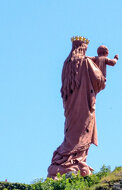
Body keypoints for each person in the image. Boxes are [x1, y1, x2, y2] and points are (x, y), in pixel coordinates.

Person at [47, 36, 114, 177]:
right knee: (82, 133)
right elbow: (99, 81)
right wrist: (102, 64)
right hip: (84, 106)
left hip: (70, 107)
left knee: (71, 133)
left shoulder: (67, 64)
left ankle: (65, 161)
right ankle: (75, 161)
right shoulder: (86, 62)